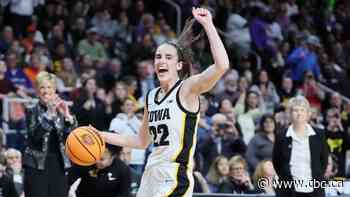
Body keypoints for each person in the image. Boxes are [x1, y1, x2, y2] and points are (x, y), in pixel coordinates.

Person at [90, 7, 229, 197]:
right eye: (158, 57)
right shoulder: (150, 97)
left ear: (179, 65)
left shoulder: (187, 89)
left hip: (174, 174)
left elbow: (222, 66)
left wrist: (208, 25)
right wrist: (101, 135)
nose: (161, 61)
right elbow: (140, 141)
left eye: (168, 57)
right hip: (151, 173)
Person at [23, 71, 77, 197]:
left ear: (55, 90)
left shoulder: (61, 109)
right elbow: (35, 135)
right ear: (37, 90)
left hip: (59, 164)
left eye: (49, 87)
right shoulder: (31, 109)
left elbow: (71, 138)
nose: (46, 91)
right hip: (36, 165)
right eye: (42, 87)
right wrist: (49, 114)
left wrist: (68, 117)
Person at [272, 96, 328, 197]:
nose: (299, 113)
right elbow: (277, 163)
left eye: (302, 110)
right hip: (288, 191)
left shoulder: (319, 134)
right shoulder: (281, 135)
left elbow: (323, 162)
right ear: (289, 114)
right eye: (295, 110)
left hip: (314, 191)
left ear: (308, 114)